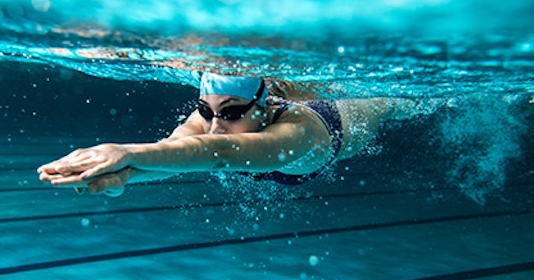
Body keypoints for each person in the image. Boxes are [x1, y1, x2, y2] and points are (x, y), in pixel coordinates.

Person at [38, 73, 407, 195]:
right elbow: (173, 152)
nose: (214, 126)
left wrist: (125, 152)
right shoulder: (215, 119)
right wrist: (124, 176)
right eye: (205, 110)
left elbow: (221, 153)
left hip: (348, 119)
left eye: (231, 113)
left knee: (393, 103)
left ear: (262, 109)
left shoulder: (299, 132)